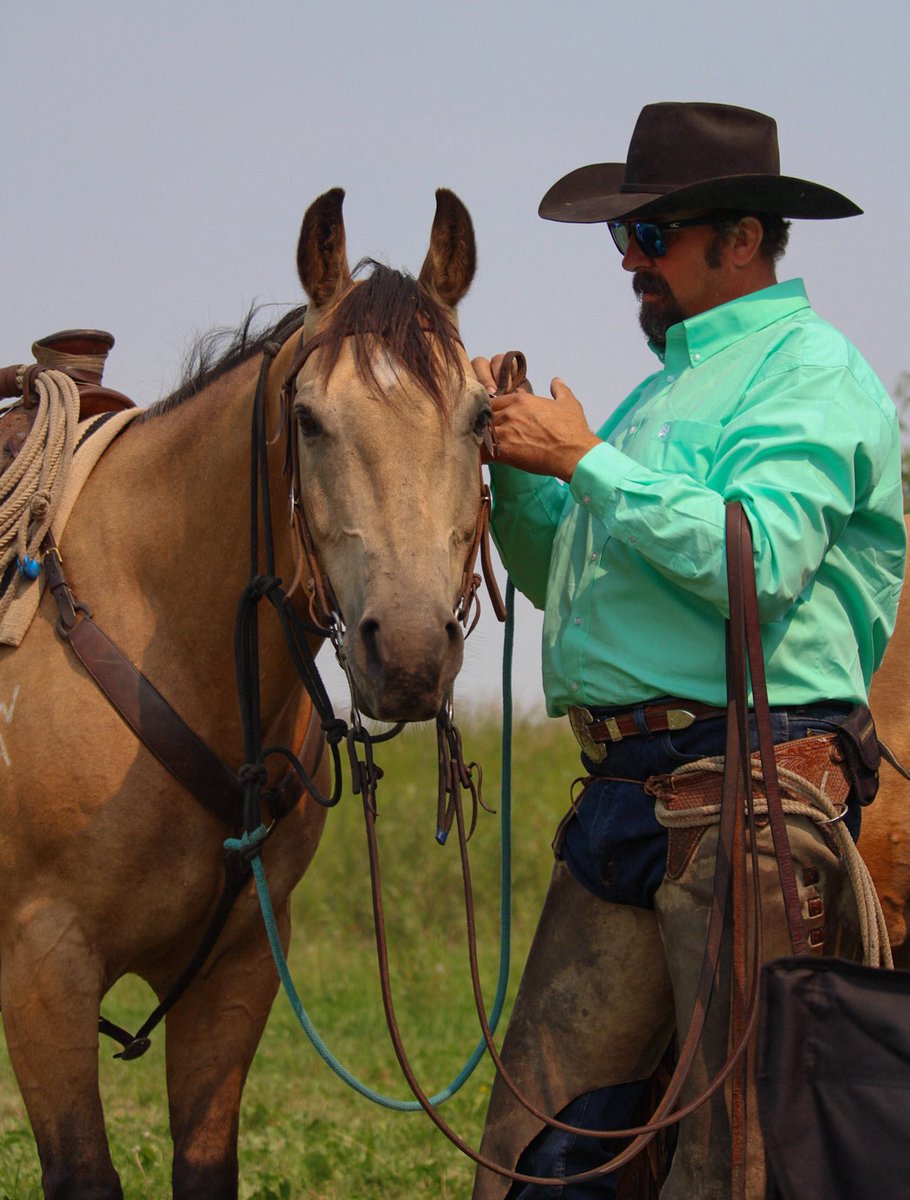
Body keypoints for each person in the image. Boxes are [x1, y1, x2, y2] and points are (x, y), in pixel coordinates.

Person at [471, 101, 906, 1200]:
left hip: (752, 794)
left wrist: (588, 463)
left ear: (744, 238)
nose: (630, 261)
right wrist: (526, 470)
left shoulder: (810, 370)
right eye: (624, 239)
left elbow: (752, 562)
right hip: (631, 794)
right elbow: (577, 585)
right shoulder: (666, 389)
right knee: (540, 1150)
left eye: (654, 236)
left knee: (736, 1162)